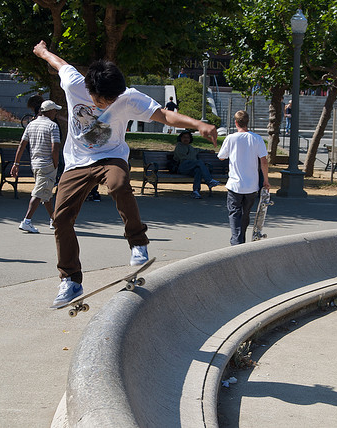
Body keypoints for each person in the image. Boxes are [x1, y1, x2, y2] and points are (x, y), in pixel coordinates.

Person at [32, 40, 218, 306]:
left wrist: (198, 124)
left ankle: (138, 242)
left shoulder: (128, 97)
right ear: (90, 89)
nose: (107, 104)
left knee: (118, 185)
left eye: (112, 100)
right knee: (60, 219)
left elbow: (164, 115)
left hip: (111, 156)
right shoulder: (74, 83)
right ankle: (71, 280)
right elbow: (59, 63)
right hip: (77, 162)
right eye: (102, 100)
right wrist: (42, 52)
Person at [218, 110, 269, 246]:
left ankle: (236, 241)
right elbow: (264, 161)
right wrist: (266, 180)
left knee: (234, 213)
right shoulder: (257, 138)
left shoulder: (231, 138)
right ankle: (241, 239)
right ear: (247, 122)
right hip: (251, 185)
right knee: (246, 214)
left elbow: (221, 156)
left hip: (235, 184)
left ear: (235, 123)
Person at [12, 100, 62, 233]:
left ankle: (54, 220)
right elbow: (55, 147)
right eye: (55, 110)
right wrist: (55, 163)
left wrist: (16, 163)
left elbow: (22, 145)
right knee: (39, 193)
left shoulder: (31, 124)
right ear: (50, 111)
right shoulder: (53, 126)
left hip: (35, 164)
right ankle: (27, 221)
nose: (56, 113)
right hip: (47, 164)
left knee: (46, 192)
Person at [173, 130, 220, 199]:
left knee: (198, 171)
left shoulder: (191, 148)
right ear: (180, 138)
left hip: (191, 168)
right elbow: (182, 157)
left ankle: (196, 191)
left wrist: (209, 151)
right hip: (182, 166)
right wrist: (194, 161)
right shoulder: (179, 146)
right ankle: (209, 180)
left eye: (187, 137)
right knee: (199, 162)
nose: (186, 139)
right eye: (184, 137)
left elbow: (199, 150)